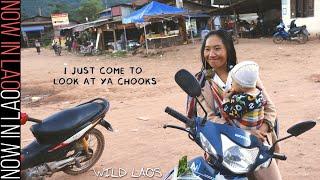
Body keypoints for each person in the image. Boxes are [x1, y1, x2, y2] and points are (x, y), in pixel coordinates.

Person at [186, 30, 281, 180]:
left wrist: (261, 131)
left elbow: (269, 107)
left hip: (257, 144)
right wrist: (243, 133)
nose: (211, 54)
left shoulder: (245, 74)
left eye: (217, 48)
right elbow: (208, 117)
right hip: (224, 146)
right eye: (207, 49)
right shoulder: (202, 83)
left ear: (228, 49)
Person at [222, 61, 267, 136]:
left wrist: (226, 99)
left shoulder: (240, 99)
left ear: (241, 85)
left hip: (245, 129)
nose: (231, 84)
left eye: (233, 81)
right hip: (258, 126)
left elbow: (229, 114)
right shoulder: (258, 92)